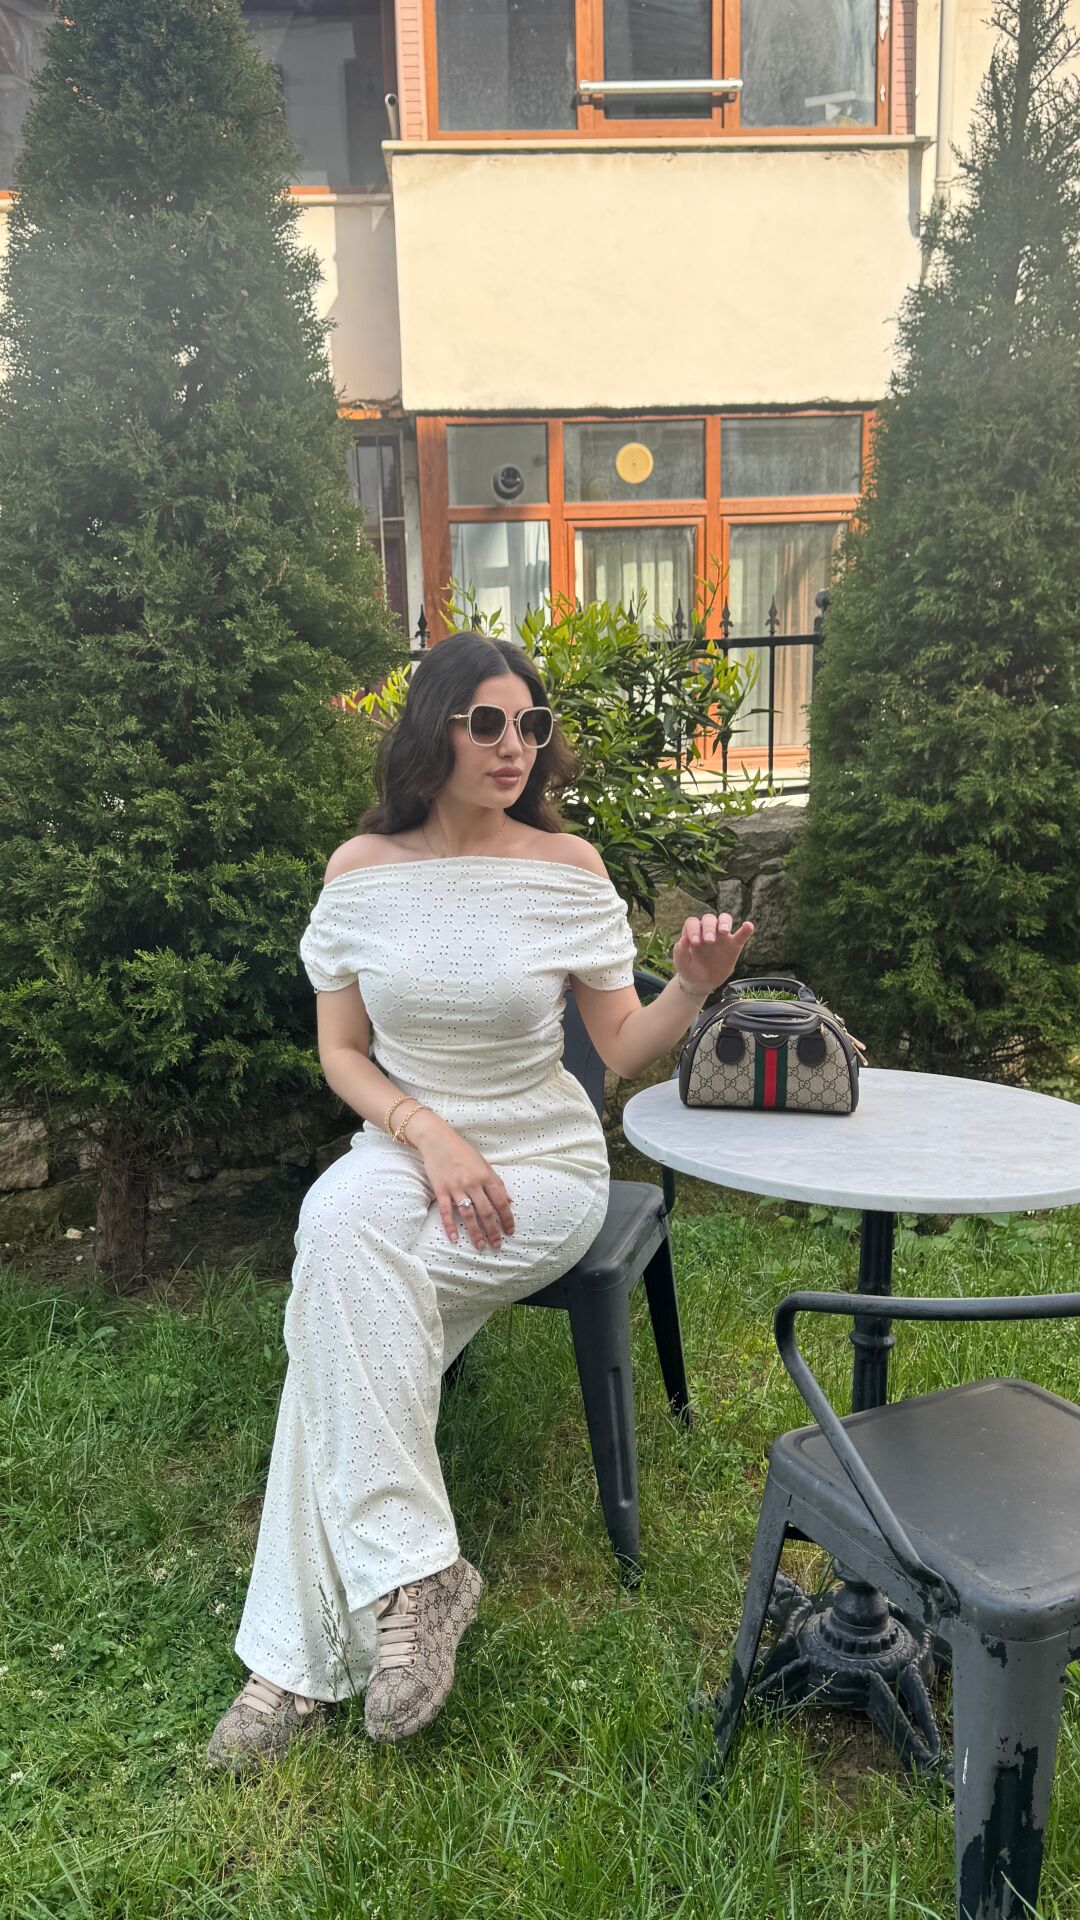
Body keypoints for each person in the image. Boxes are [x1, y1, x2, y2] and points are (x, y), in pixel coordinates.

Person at [206, 631, 753, 1773]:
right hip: (405, 1145)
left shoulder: (567, 868)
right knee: (337, 1231)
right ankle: (418, 1575)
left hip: (542, 1166)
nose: (516, 747)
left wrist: (694, 991)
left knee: (337, 1320)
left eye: (532, 726)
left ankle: (285, 1675)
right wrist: (427, 1131)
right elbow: (343, 1052)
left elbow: (619, 1047)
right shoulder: (359, 870)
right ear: (434, 730)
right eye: (489, 723)